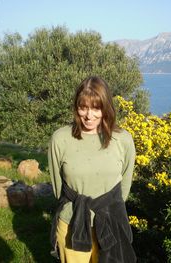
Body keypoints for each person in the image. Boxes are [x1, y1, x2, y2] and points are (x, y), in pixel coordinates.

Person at [48, 76, 137, 263]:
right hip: (71, 225)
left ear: (106, 108)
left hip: (111, 223)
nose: (89, 115)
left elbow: (124, 189)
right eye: (83, 107)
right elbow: (58, 189)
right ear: (76, 107)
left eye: (96, 108)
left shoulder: (123, 140)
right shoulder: (60, 139)